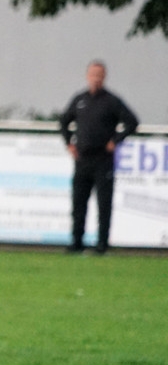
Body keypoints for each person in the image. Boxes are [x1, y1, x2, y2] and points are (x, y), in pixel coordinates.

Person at [58, 60, 138, 255]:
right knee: (78, 203)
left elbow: (132, 122)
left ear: (104, 77)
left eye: (99, 75)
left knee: (104, 204)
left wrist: (116, 140)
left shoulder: (112, 101)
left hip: (103, 159)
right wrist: (69, 143)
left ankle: (102, 244)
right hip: (82, 158)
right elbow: (63, 121)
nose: (96, 78)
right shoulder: (80, 99)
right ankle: (76, 242)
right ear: (87, 76)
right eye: (93, 75)